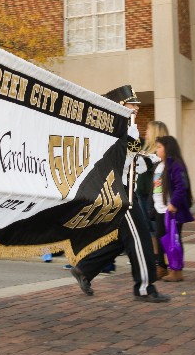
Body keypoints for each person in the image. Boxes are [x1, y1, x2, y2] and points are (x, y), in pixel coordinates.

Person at [68, 85, 169, 303]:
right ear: (120, 107)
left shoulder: (124, 129)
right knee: (140, 237)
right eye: (132, 105)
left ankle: (85, 269)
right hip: (120, 192)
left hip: (122, 190)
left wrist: (147, 159)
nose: (136, 109)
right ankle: (145, 288)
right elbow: (123, 161)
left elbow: (131, 160)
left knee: (124, 239)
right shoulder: (117, 129)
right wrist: (148, 158)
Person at [154, 135, 194, 282]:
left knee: (173, 240)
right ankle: (162, 267)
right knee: (160, 240)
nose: (156, 150)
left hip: (171, 210)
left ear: (167, 148)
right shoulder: (159, 165)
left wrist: (174, 204)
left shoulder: (175, 165)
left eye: (159, 147)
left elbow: (181, 186)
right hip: (159, 209)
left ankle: (176, 270)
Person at [137, 120, 168, 277]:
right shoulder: (144, 149)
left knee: (157, 229)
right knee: (150, 231)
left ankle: (162, 263)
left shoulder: (159, 152)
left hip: (153, 196)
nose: (146, 132)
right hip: (141, 194)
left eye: (149, 130)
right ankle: (157, 263)